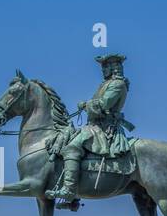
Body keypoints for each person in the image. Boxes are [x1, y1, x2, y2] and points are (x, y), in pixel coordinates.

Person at [46, 53, 133, 203]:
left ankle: (68, 191)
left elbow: (104, 105)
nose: (103, 69)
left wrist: (85, 105)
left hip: (104, 129)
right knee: (67, 140)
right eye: (103, 66)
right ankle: (72, 197)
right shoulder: (106, 84)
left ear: (113, 68)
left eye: (105, 66)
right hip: (95, 126)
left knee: (72, 147)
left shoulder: (118, 84)